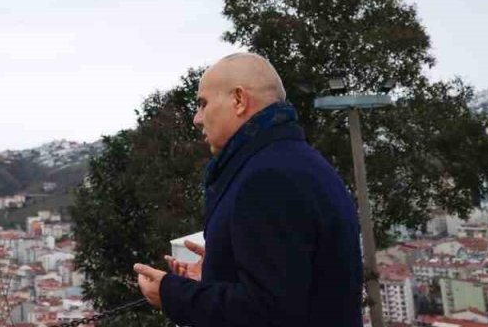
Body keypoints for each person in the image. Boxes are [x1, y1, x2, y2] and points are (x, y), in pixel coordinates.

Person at [132, 53, 363, 327]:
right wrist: (219, 268)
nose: (197, 118)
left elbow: (267, 311)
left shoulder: (267, 178)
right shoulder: (301, 162)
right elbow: (292, 281)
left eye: (203, 104)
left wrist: (172, 293)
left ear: (239, 100)